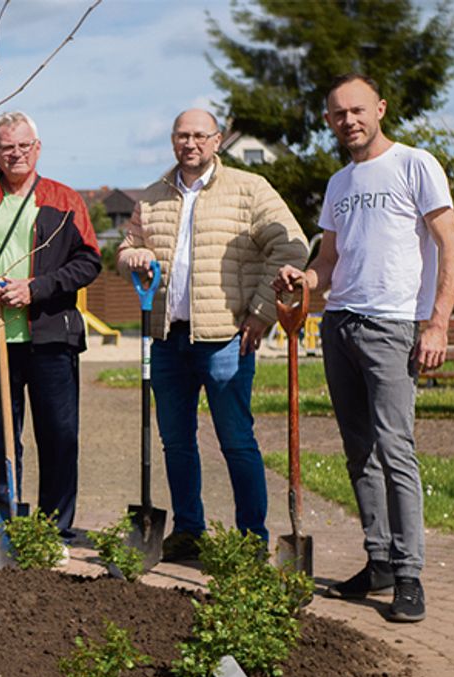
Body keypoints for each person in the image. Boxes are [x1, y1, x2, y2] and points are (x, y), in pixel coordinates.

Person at [274, 74, 454, 622]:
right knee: (359, 451)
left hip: (393, 326)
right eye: (337, 114)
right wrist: (304, 281)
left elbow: (450, 246)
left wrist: (438, 325)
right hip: (340, 325)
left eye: (357, 110)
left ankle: (409, 574)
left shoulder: (416, 164)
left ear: (379, 108)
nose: (348, 120)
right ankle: (378, 559)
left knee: (396, 450)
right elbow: (329, 263)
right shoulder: (339, 183)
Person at [117, 109, 308, 561]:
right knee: (176, 441)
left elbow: (292, 247)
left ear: (218, 140)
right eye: (182, 135)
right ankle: (188, 530)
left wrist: (262, 312)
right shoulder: (153, 195)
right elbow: (126, 248)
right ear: (172, 140)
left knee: (236, 440)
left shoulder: (249, 190)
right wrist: (135, 257)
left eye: (200, 136)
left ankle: (250, 539)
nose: (191, 144)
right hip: (167, 339)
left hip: (226, 339)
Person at [0, 111, 101, 561]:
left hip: (51, 337)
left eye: (22, 146)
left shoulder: (64, 199)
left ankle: (56, 532)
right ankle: (4, 529)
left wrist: (36, 289)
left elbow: (89, 261)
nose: (14, 154)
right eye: (4, 147)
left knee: (59, 434)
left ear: (37, 148)